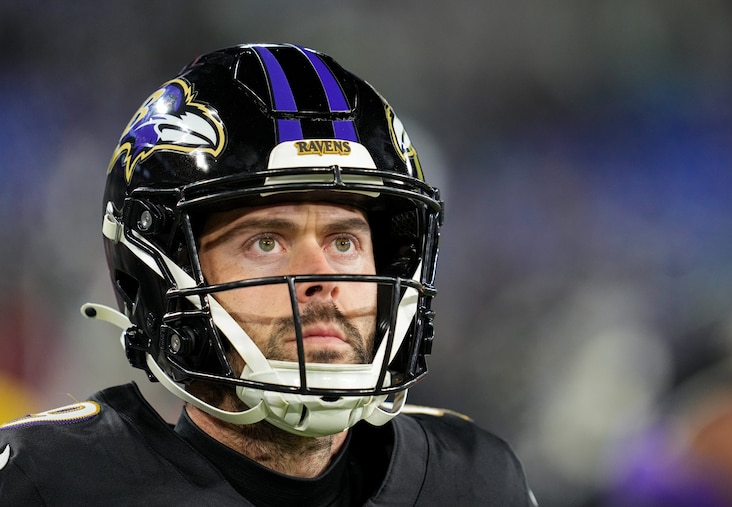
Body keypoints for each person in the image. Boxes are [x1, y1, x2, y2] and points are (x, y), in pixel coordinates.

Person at [0, 43, 537, 506]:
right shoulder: (47, 486)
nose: (321, 275)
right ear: (162, 280)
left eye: (344, 241)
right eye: (266, 241)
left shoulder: (475, 482)